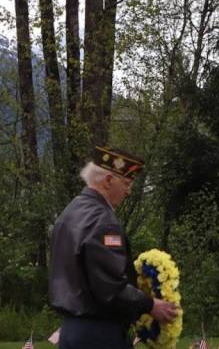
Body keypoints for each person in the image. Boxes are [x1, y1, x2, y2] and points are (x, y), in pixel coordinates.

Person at [50, 146, 178, 349]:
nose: (128, 191)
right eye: (126, 183)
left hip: (71, 333)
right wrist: (151, 305)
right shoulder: (103, 222)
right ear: (109, 180)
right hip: (99, 334)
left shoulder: (70, 213)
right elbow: (110, 289)